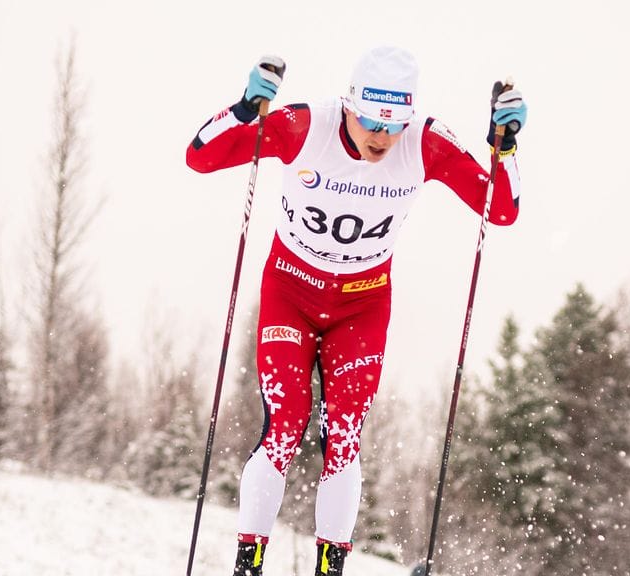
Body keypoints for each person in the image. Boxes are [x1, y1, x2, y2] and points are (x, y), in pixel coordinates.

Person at [185, 46, 526, 576]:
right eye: (370, 118)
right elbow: (200, 156)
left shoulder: (425, 144)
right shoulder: (304, 126)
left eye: (394, 123)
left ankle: (330, 567)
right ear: (348, 104)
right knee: (286, 424)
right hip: (290, 292)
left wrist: (505, 148)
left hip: (362, 303)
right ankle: (247, 564)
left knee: (343, 435)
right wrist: (247, 108)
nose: (381, 136)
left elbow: (500, 210)